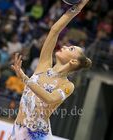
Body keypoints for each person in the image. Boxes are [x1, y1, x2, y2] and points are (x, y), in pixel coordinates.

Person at [9, 0, 92, 139]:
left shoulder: (67, 86)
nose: (65, 46)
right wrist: (76, 10)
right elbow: (54, 30)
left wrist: (24, 78)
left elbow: (49, 98)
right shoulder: (44, 64)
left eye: (71, 48)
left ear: (73, 61)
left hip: (37, 135)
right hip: (17, 130)